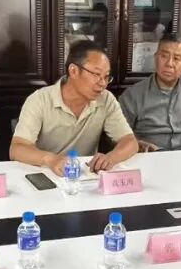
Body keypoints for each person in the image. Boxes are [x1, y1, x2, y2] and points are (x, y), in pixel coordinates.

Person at [10, 40, 138, 175]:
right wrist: (51, 160)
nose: (103, 83)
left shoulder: (106, 99)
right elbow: (17, 149)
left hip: (85, 175)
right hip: (46, 173)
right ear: (74, 71)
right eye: (96, 74)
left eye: (106, 77)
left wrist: (110, 158)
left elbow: (130, 141)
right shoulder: (40, 100)